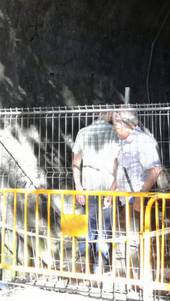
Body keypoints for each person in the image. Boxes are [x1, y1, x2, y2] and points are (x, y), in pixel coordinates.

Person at [111, 109, 163, 279]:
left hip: (138, 198)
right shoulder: (123, 142)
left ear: (128, 124)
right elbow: (120, 170)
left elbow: (155, 170)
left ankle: (145, 282)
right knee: (128, 241)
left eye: (117, 123)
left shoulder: (143, 141)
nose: (115, 127)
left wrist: (140, 197)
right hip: (125, 199)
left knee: (140, 241)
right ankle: (132, 281)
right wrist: (111, 192)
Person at [71, 111, 119, 274]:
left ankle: (89, 264)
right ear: (109, 115)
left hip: (88, 188)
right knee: (105, 228)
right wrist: (113, 190)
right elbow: (118, 164)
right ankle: (101, 266)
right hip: (108, 188)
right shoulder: (115, 132)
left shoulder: (83, 132)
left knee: (90, 227)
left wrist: (78, 187)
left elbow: (76, 163)